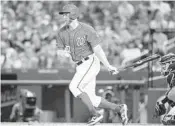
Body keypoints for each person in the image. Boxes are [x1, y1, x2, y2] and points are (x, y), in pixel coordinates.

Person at [57, 4, 128, 125]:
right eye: (63, 14)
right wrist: (63, 54)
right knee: (92, 99)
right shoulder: (61, 32)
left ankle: (95, 114)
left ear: (73, 14)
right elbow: (59, 51)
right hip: (79, 66)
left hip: (90, 61)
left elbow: (98, 49)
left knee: (74, 87)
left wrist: (108, 65)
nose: (63, 17)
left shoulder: (86, 29)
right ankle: (119, 108)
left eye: (66, 14)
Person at [154, 53, 175, 125]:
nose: (162, 67)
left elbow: (172, 93)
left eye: (164, 64)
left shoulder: (172, 75)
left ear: (171, 63)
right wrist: (163, 101)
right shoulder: (172, 75)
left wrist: (163, 101)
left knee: (168, 120)